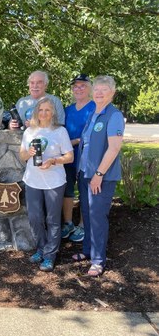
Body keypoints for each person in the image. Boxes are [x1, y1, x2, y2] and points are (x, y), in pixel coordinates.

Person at [73, 75, 124, 277]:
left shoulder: (114, 115)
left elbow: (113, 148)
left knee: (97, 216)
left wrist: (99, 174)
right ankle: (88, 251)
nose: (99, 92)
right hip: (85, 174)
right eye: (97, 89)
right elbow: (86, 141)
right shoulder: (94, 113)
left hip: (101, 176)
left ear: (112, 92)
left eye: (104, 89)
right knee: (87, 213)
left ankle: (98, 261)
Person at [19, 97, 73, 272]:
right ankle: (41, 249)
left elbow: (69, 157)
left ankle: (50, 255)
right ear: (36, 112)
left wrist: (53, 160)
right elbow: (22, 156)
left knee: (52, 220)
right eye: (41, 110)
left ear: (53, 113)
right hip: (32, 181)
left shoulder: (60, 131)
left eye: (47, 110)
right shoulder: (29, 132)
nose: (43, 113)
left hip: (54, 182)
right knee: (35, 218)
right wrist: (29, 152)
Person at [61, 74, 96, 242]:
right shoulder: (67, 110)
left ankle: (82, 225)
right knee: (67, 191)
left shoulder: (95, 108)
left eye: (82, 85)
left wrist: (73, 141)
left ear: (89, 88)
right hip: (67, 158)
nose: (78, 89)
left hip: (86, 159)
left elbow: (94, 135)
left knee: (84, 192)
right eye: (75, 86)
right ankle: (68, 223)